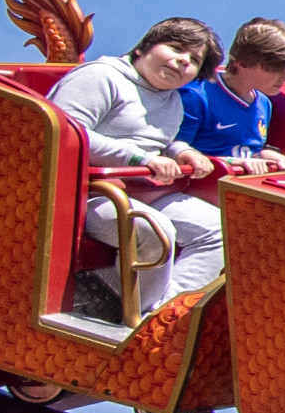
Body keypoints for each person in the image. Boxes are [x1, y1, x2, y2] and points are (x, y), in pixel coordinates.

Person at [56, 17, 231, 311]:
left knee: (221, 231)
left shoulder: (173, 100)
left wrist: (180, 151)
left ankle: (161, 318)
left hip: (144, 190)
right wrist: (140, 159)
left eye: (193, 60)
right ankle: (133, 318)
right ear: (143, 49)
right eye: (175, 48)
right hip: (86, 193)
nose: (181, 61)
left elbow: (159, 142)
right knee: (156, 231)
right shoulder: (101, 77)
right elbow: (66, 133)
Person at [176, 18, 285, 172]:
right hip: (201, 185)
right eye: (276, 68)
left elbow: (248, 150)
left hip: (243, 186)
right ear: (243, 62)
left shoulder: (264, 103)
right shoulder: (197, 95)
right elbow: (175, 153)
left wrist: (268, 155)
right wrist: (233, 162)